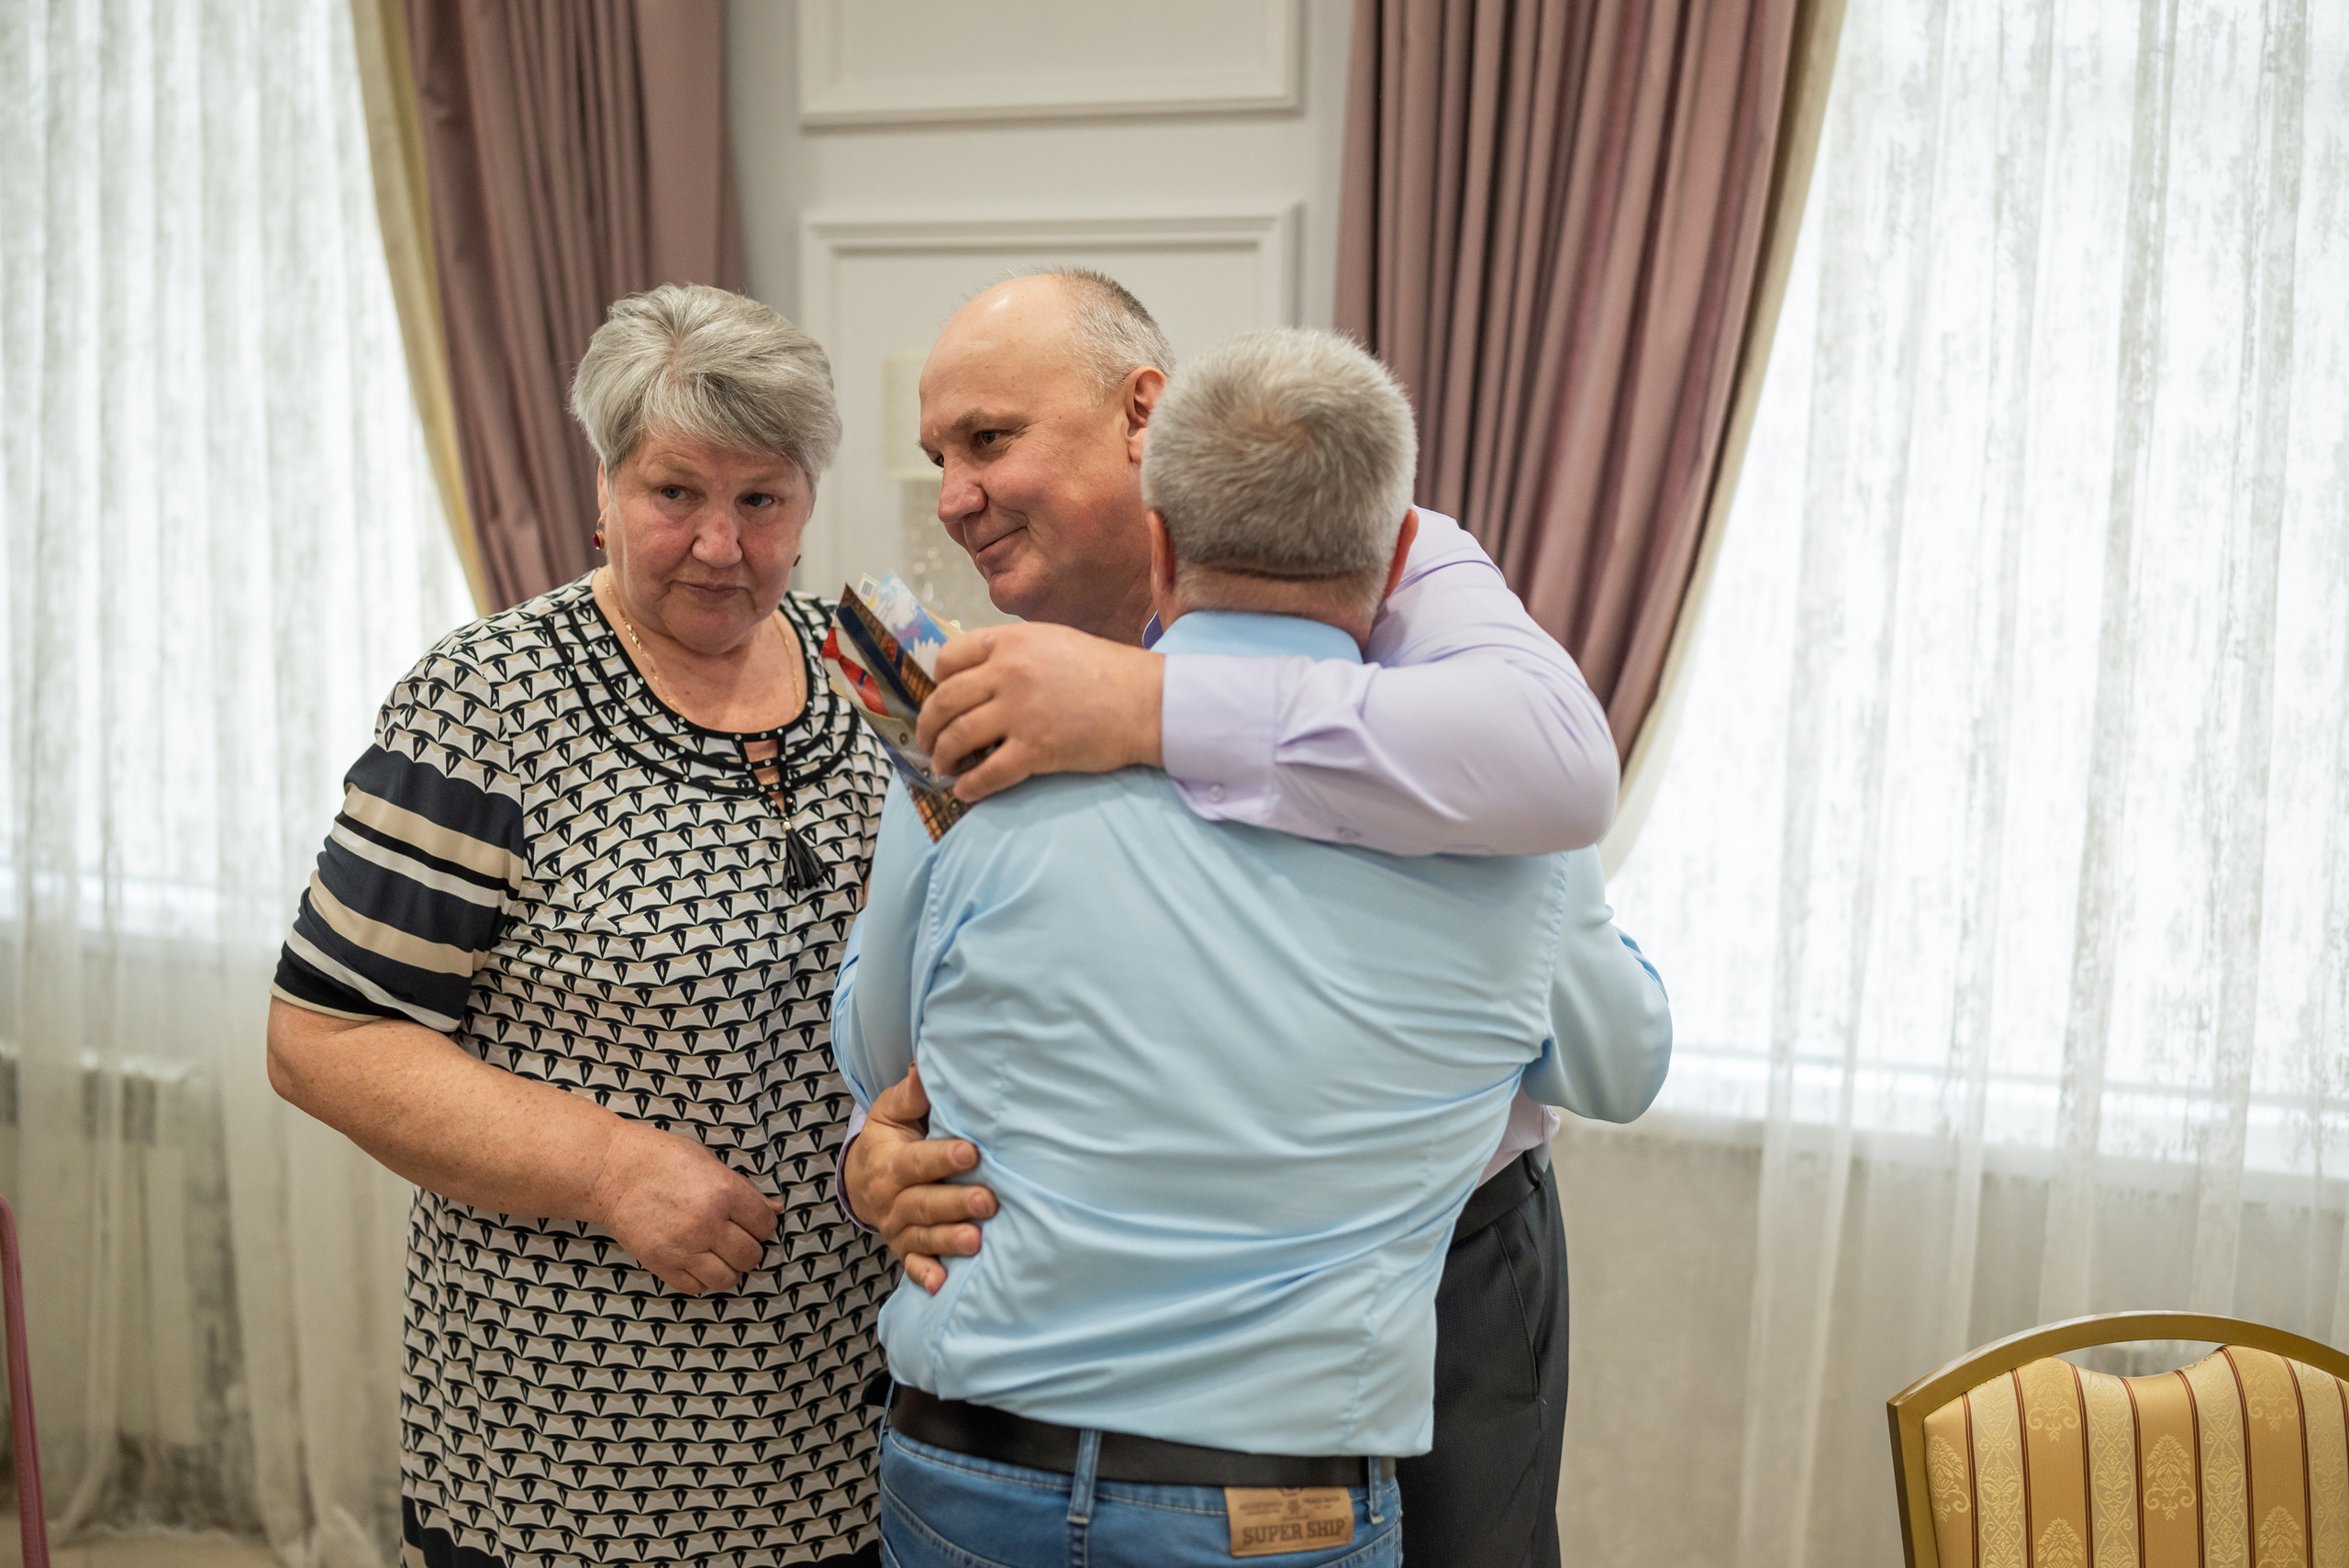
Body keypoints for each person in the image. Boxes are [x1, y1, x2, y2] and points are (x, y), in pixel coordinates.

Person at [832, 327, 1672, 1567]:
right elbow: (1621, 1059)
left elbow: (880, 1034)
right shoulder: (1499, 831)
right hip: (1271, 1482)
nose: (963, 497)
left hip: (992, 1458)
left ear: (1159, 516)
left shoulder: (975, 765)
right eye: (943, 456)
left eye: (992, 442)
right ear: (1392, 551)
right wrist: (874, 1145)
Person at [266, 284, 893, 1568]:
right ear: (604, 485)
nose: (721, 543)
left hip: (854, 1428)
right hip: (577, 1457)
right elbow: (323, 1035)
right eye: (677, 494)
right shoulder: (485, 702)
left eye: (762, 499)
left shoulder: (875, 667)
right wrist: (608, 1166)